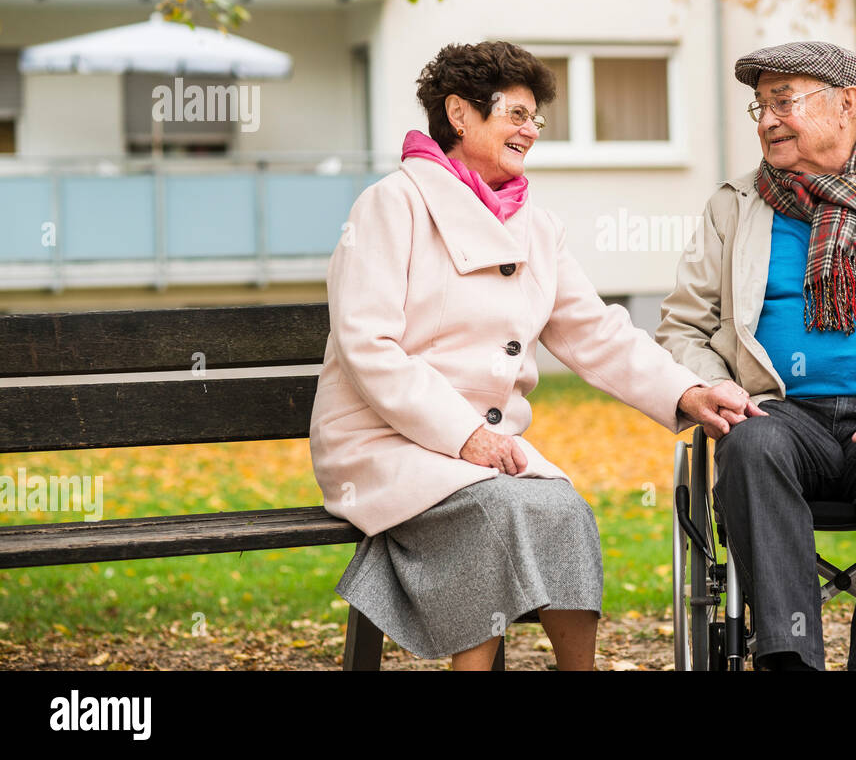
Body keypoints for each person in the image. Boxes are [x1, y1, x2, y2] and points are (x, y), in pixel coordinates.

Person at [309, 40, 760, 671]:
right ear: (460, 114)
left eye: (536, 120)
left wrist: (686, 391)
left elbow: (594, 331)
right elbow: (368, 345)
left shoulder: (535, 227)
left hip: (486, 452)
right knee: (496, 510)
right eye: (517, 115)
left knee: (563, 508)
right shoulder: (393, 205)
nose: (531, 131)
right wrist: (463, 434)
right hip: (383, 440)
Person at [656, 40, 856, 670]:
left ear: (847, 104)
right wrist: (714, 389)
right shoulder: (737, 203)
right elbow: (681, 327)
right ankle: (791, 660)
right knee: (748, 445)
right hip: (780, 415)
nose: (767, 120)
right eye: (760, 106)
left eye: (784, 102)